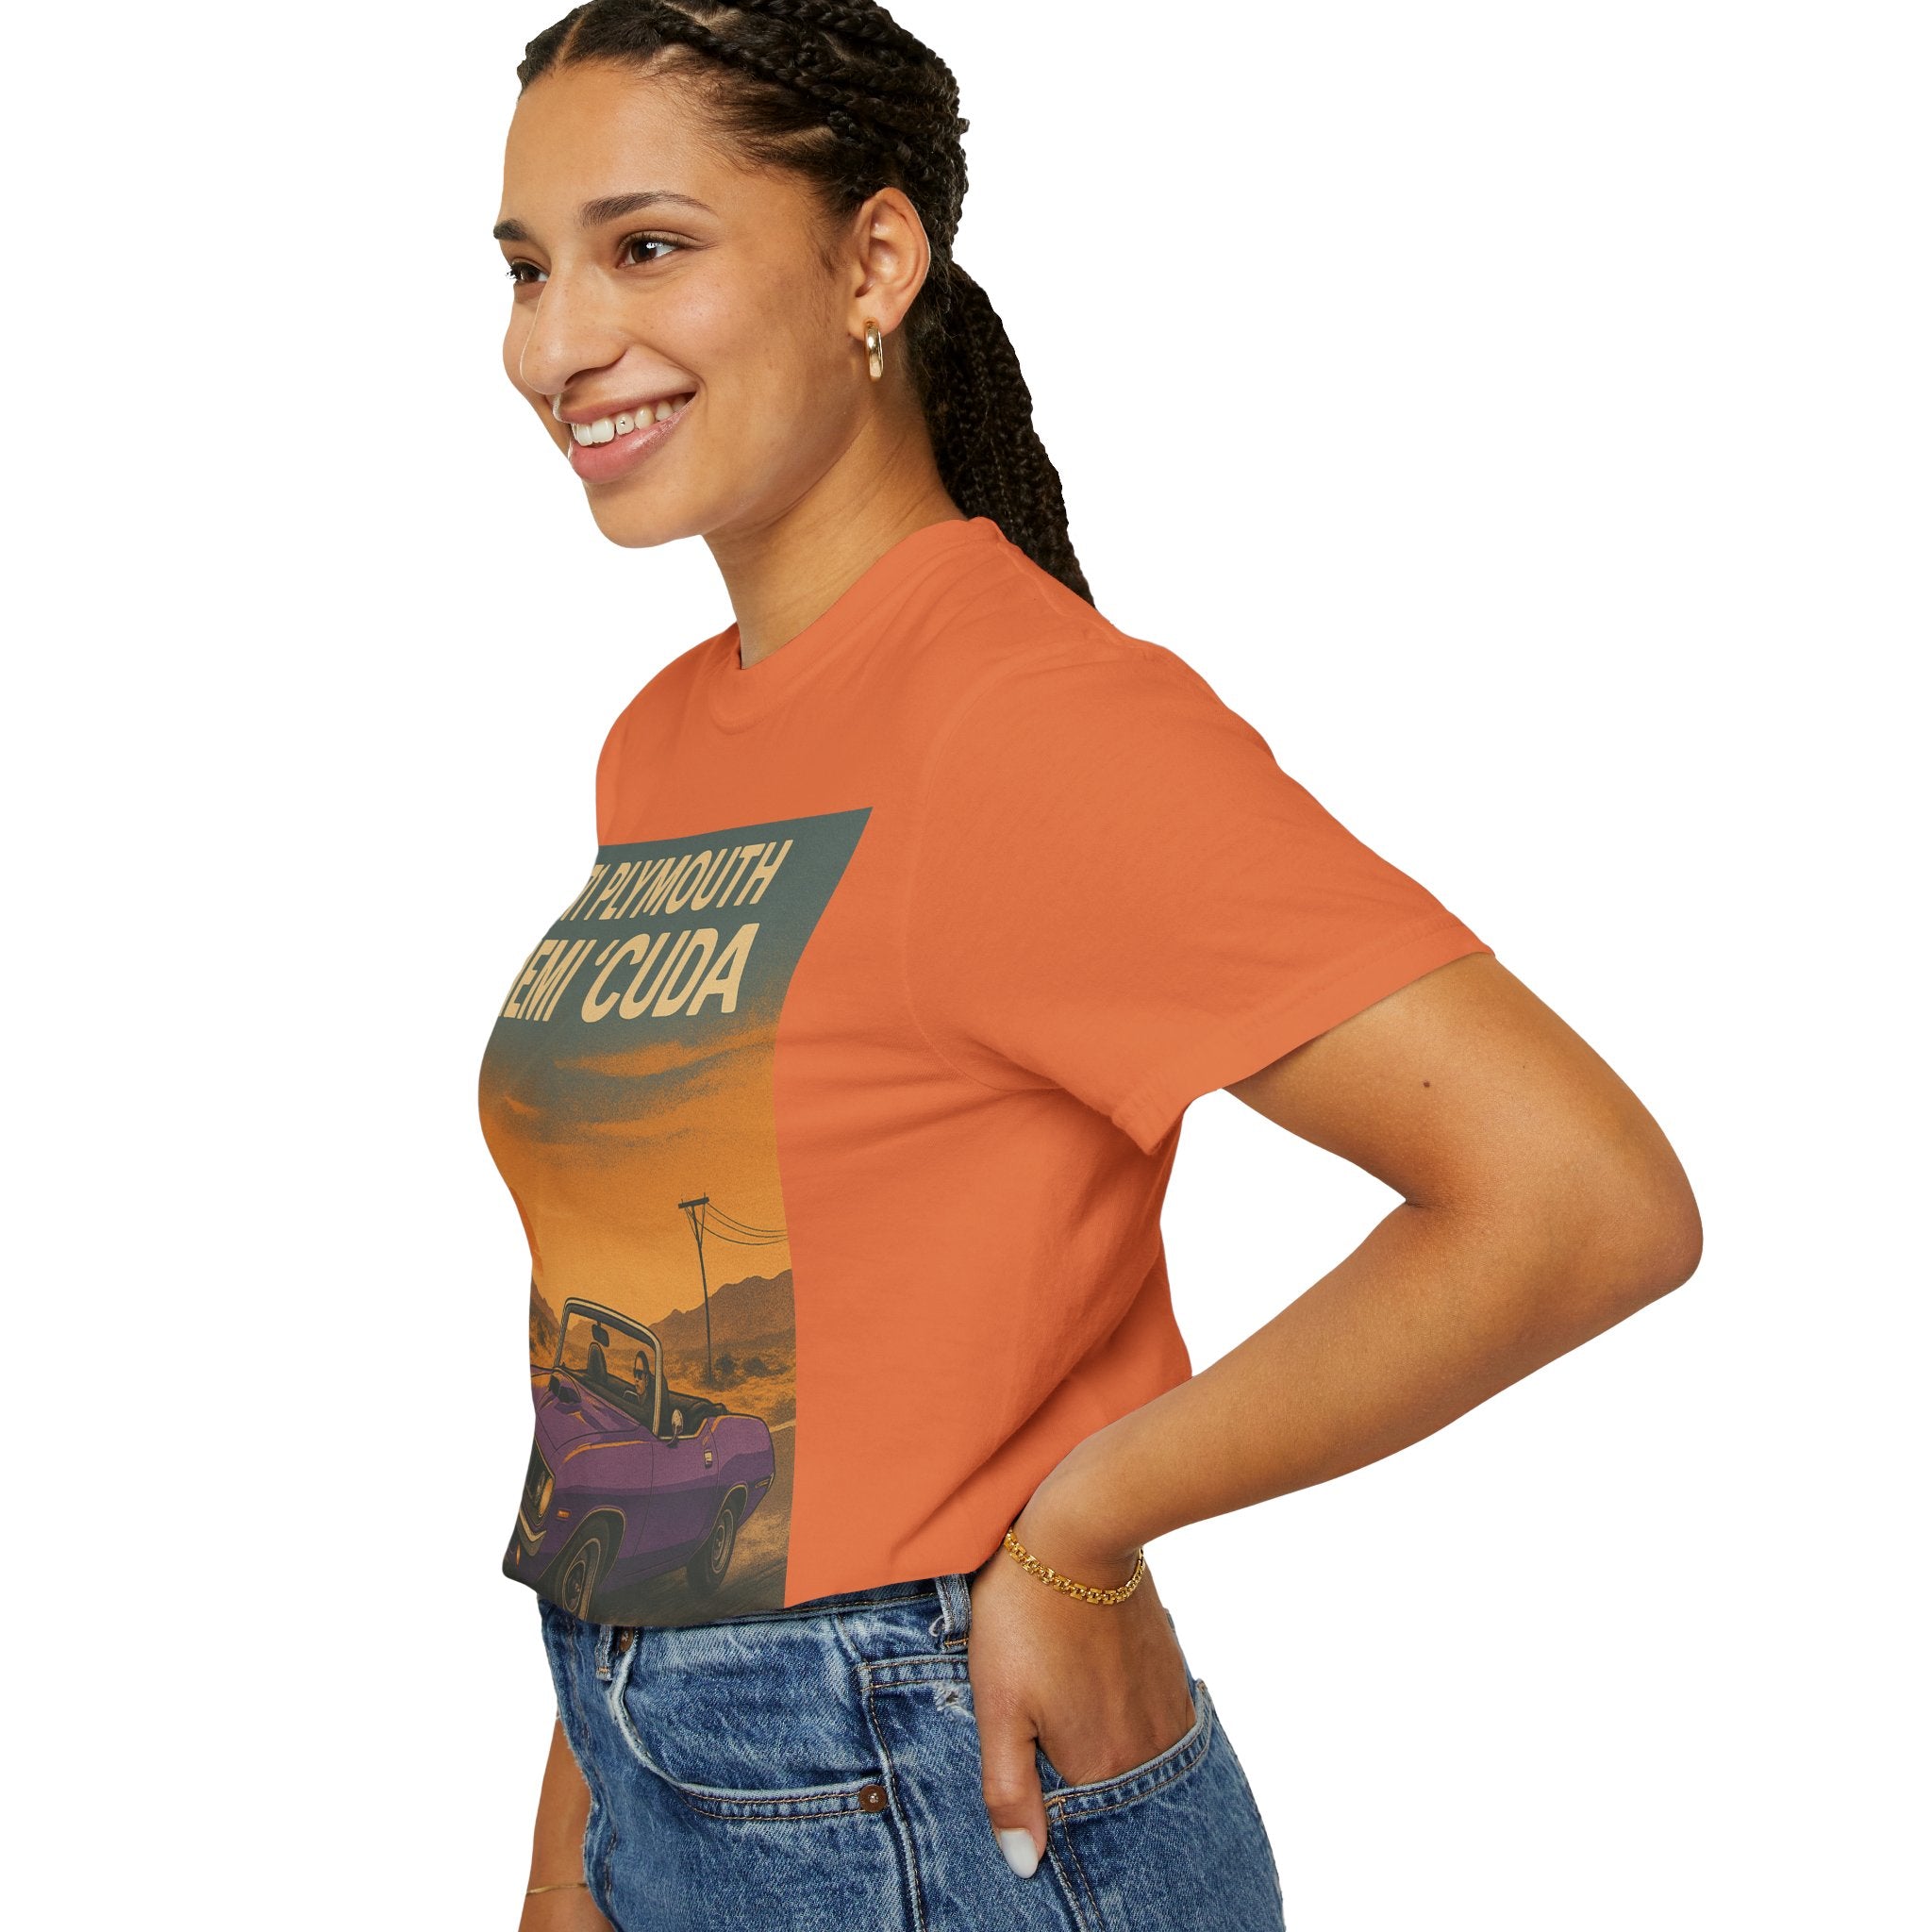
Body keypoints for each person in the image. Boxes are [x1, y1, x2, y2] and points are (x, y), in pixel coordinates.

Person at [477, 7, 1703, 1929]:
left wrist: (1085, 1525)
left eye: (647, 247)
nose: (557, 343)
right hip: (664, 1764)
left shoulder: (1025, 720)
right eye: (527, 269)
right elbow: (676, 1371)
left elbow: (1582, 1198)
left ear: (876, 262)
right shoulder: (665, 742)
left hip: (935, 1790)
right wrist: (579, 1844)